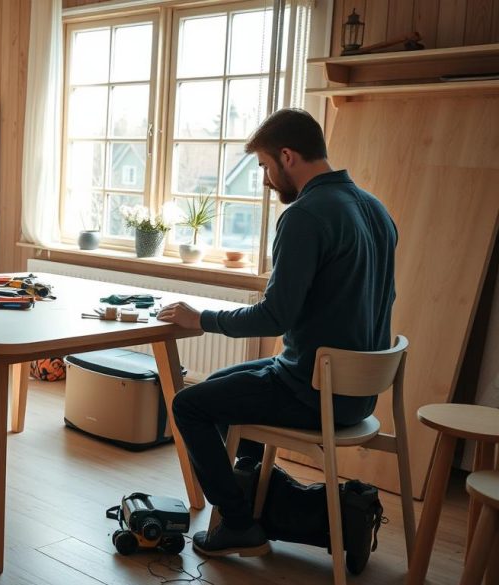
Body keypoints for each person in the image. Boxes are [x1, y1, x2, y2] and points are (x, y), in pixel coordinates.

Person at [157, 109, 397, 558]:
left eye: (266, 166)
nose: (266, 179)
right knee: (216, 389)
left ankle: (240, 524)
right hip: (358, 391)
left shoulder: (307, 215)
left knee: (188, 405)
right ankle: (259, 500)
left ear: (288, 156)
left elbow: (274, 317)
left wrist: (200, 319)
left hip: (316, 390)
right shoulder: (375, 209)